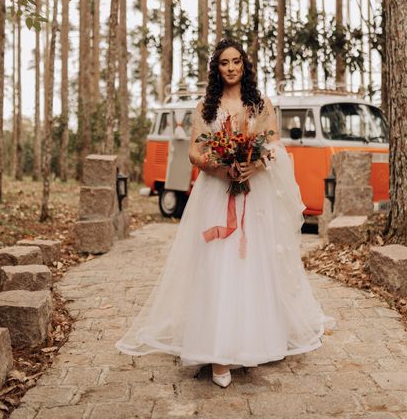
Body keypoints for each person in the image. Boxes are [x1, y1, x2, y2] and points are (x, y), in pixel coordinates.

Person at [115, 38, 335, 388]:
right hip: (217, 193)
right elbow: (195, 152)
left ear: (244, 65)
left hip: (256, 195)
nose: (231, 68)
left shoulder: (260, 103)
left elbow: (274, 144)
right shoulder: (206, 106)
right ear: (216, 68)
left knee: (253, 264)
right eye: (223, 63)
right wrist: (223, 169)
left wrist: (254, 166)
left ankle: (256, 339)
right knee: (219, 263)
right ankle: (217, 352)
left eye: (236, 62)